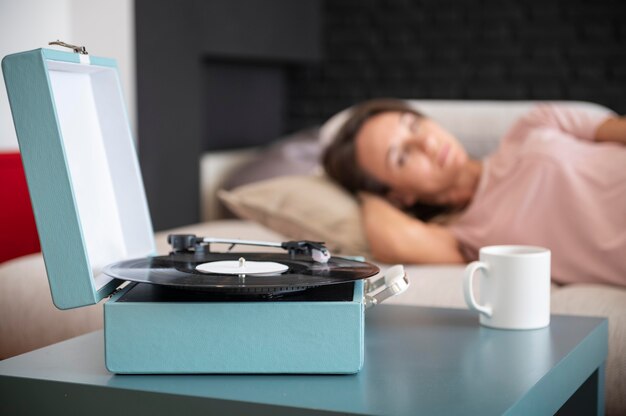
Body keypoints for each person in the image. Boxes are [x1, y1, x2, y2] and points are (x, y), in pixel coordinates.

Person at [322, 99, 626, 286]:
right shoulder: (467, 235)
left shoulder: (534, 124)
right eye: (401, 157)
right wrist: (365, 193)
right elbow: (395, 243)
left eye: (413, 125)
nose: (427, 144)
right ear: (398, 197)